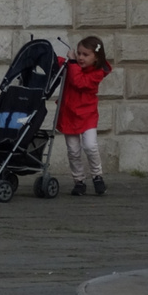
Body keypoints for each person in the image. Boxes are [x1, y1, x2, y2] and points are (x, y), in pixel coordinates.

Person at [58, 36, 112, 196]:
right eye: (79, 53)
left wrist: (73, 62)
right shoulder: (71, 65)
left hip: (87, 115)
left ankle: (97, 176)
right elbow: (59, 64)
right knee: (73, 151)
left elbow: (79, 82)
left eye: (85, 54)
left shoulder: (97, 73)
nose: (81, 57)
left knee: (90, 146)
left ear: (96, 57)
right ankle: (79, 181)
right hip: (70, 114)